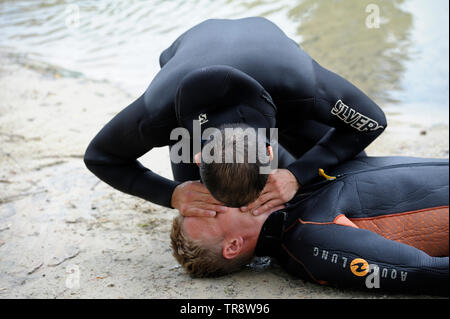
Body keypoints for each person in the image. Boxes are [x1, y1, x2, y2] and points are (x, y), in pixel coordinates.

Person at [84, 17, 387, 218]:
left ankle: (291, 168)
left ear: (268, 150)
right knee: (204, 211)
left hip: (273, 71)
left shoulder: (302, 89)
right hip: (188, 62)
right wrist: (173, 195)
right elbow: (100, 156)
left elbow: (373, 120)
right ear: (198, 157)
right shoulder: (160, 113)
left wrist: (296, 175)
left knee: (351, 165)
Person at [170, 156, 449, 296]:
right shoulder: (309, 241)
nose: (219, 196)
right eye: (213, 211)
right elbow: (422, 271)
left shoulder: (290, 181)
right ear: (233, 246)